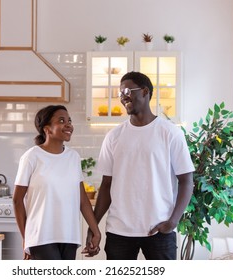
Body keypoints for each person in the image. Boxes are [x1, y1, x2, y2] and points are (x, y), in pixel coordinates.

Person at [87, 71, 194, 260]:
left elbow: (186, 181)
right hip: (119, 231)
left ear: (145, 91)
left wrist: (172, 222)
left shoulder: (170, 133)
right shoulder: (114, 136)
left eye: (127, 91)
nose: (123, 97)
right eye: (120, 94)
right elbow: (106, 185)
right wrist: (93, 226)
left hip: (159, 229)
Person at [13, 105, 101, 260]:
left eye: (69, 120)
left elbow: (82, 200)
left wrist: (96, 231)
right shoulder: (32, 157)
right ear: (47, 129)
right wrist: (26, 238)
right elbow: (17, 200)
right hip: (40, 236)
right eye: (61, 120)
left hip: (69, 236)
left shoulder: (73, 157)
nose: (68, 124)